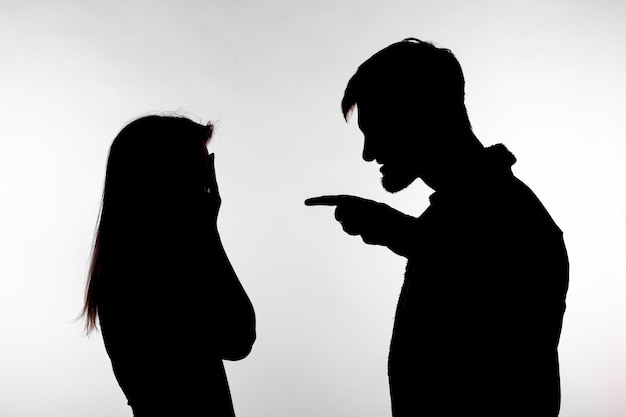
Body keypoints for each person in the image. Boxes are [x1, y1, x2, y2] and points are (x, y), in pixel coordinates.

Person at [306, 38, 569, 416]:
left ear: (420, 113)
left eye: (376, 127)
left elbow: (491, 302)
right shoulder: (458, 221)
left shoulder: (517, 218)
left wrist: (400, 232)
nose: (368, 153)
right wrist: (401, 233)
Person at [81, 115, 256, 416]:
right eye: (201, 166)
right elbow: (238, 337)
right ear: (167, 176)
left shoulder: (130, 266)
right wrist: (207, 227)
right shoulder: (145, 274)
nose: (209, 180)